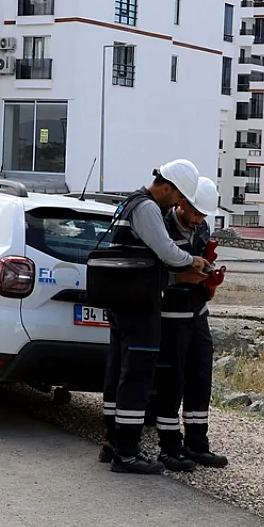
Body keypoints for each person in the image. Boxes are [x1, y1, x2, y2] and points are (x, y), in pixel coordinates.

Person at [100, 160, 211, 474]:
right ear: (167, 187)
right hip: (139, 304)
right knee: (137, 375)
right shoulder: (147, 208)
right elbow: (166, 252)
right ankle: (126, 451)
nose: (177, 204)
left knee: (121, 371)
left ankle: (114, 443)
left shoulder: (131, 202)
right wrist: (193, 262)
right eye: (177, 196)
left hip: (126, 301)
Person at [151, 176, 228, 471]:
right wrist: (181, 278)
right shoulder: (163, 227)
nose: (198, 221)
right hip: (171, 317)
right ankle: (169, 446)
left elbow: (201, 257)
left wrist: (209, 275)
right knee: (171, 382)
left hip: (197, 315)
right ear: (182, 203)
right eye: (195, 214)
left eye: (203, 216)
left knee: (200, 378)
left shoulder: (202, 226)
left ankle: (197, 443)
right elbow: (157, 271)